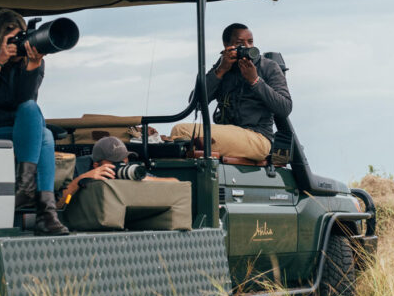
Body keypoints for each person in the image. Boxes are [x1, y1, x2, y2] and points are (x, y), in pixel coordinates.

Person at [0, 9, 69, 236]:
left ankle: (28, 190)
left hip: (19, 131)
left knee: (35, 116)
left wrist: (32, 66)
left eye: (21, 38)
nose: (17, 44)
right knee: (46, 136)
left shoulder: (31, 62)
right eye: (11, 40)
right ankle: (46, 214)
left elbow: (24, 102)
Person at [170, 23, 291, 161]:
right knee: (180, 136)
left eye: (250, 42)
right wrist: (220, 71)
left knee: (181, 130)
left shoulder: (268, 67)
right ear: (227, 45)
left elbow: (285, 108)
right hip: (229, 133)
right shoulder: (224, 65)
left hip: (258, 137)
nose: (247, 47)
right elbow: (195, 103)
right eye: (240, 43)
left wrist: (255, 81)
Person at [59, 136, 174, 207]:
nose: (121, 166)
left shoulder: (126, 170)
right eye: (115, 163)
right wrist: (80, 181)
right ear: (96, 165)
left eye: (124, 161)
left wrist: (144, 178)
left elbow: (175, 183)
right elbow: (57, 205)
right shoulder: (77, 168)